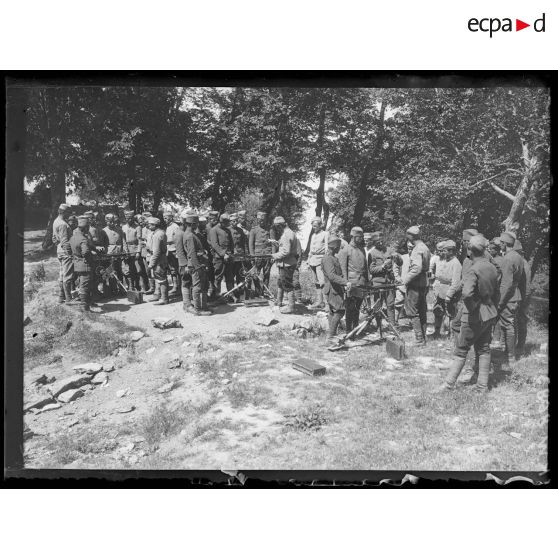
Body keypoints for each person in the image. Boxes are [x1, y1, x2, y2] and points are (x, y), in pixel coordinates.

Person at [438, 235, 499, 392]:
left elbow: (466, 294)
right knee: (484, 348)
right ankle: (482, 386)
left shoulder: (474, 269)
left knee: (461, 349)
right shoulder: (492, 267)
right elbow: (496, 293)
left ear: (470, 250)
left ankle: (448, 384)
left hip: (474, 315)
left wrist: (471, 309)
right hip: (489, 312)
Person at [496, 231, 524, 370]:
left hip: (508, 297)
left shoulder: (508, 259)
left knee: (508, 325)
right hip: (515, 295)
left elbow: (506, 284)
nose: (499, 245)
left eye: (501, 242)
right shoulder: (518, 257)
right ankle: (508, 354)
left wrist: (500, 303)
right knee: (509, 325)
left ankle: (510, 357)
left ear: (504, 244)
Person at [403, 225, 431, 346]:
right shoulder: (425, 247)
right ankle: (423, 337)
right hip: (423, 282)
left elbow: (416, 268)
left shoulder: (416, 249)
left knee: (412, 311)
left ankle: (419, 339)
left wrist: (405, 280)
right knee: (422, 309)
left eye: (407, 235)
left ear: (411, 236)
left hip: (415, 283)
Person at [337, 226, 368, 334]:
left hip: (361, 282)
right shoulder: (345, 249)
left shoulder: (362, 249)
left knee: (357, 307)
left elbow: (366, 267)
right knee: (350, 308)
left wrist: (367, 281)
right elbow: (342, 268)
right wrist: (345, 283)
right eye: (359, 237)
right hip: (351, 283)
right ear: (353, 237)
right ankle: (349, 330)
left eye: (362, 237)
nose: (361, 239)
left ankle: (356, 327)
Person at [321, 234, 350, 346]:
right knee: (340, 310)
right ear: (334, 246)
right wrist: (345, 282)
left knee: (334, 312)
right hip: (332, 289)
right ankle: (331, 336)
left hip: (336, 288)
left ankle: (332, 336)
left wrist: (343, 284)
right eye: (338, 246)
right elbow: (332, 276)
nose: (339, 248)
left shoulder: (333, 258)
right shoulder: (328, 259)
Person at [183, 212, 213, 316]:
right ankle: (197, 309)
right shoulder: (190, 236)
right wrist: (197, 267)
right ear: (192, 224)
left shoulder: (192, 234)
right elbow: (192, 253)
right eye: (196, 223)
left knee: (204, 286)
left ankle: (204, 306)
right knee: (197, 287)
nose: (198, 225)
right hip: (196, 265)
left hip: (200, 263)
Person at [432, 240, 462, 338]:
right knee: (437, 311)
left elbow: (455, 283)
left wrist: (449, 295)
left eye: (444, 250)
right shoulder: (438, 259)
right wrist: (431, 280)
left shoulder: (456, 263)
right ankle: (436, 332)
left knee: (450, 314)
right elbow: (429, 270)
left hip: (449, 293)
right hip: (439, 290)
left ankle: (451, 335)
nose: (442, 252)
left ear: (451, 251)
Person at [69, 215, 99, 312]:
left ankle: (86, 305)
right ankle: (84, 308)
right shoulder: (83, 239)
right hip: (85, 265)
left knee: (82, 284)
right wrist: (90, 255)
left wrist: (76, 256)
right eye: (87, 227)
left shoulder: (73, 237)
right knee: (85, 286)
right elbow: (85, 252)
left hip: (77, 265)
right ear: (85, 227)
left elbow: (68, 249)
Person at [368, 230, 397, 328]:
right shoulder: (371, 253)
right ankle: (379, 327)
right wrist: (383, 267)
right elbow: (371, 270)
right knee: (378, 306)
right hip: (378, 283)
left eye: (381, 241)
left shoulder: (389, 250)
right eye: (377, 242)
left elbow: (399, 262)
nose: (380, 243)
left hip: (389, 282)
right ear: (374, 243)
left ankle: (392, 326)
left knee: (390, 305)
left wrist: (397, 257)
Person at [270, 216, 299, 314]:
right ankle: (279, 301)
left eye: (277, 227)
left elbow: (285, 252)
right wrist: (277, 244)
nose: (277, 229)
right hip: (285, 263)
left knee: (287, 284)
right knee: (280, 282)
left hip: (287, 263)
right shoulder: (289, 233)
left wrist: (273, 255)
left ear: (280, 226)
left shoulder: (287, 234)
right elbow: (285, 247)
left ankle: (291, 307)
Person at [208, 213, 235, 300]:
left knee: (230, 277)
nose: (229, 224)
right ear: (222, 222)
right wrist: (223, 254)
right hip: (219, 258)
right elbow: (214, 244)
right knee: (218, 277)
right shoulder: (214, 230)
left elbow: (231, 243)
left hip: (229, 257)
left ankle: (231, 294)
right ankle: (217, 295)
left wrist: (231, 253)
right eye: (227, 223)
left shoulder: (227, 230)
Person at [52, 203, 74, 304]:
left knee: (62, 274)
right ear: (64, 212)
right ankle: (68, 298)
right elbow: (65, 241)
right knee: (67, 275)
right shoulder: (63, 224)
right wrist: (69, 253)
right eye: (68, 212)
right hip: (65, 252)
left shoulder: (56, 221)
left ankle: (61, 297)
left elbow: (55, 239)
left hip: (59, 250)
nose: (69, 215)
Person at [103, 213, 129, 296]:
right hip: (109, 253)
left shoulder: (119, 229)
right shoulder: (103, 231)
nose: (112, 224)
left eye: (114, 222)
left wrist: (125, 250)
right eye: (110, 222)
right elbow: (103, 243)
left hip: (119, 253)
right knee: (111, 272)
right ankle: (112, 290)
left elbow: (123, 241)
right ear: (106, 221)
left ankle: (121, 288)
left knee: (120, 271)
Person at [248, 211, 273, 294]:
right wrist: (252, 256)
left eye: (263, 220)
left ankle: (265, 292)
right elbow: (250, 244)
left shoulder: (270, 230)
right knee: (255, 274)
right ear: (257, 220)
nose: (261, 222)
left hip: (267, 255)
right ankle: (257, 291)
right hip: (257, 256)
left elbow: (273, 243)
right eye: (259, 220)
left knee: (267, 274)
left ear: (265, 220)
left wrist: (272, 255)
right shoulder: (253, 230)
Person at [146, 216, 169, 305]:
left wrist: (151, 264)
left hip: (159, 259)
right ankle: (158, 295)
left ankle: (164, 298)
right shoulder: (157, 233)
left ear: (155, 225)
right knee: (157, 278)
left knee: (161, 278)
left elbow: (157, 251)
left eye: (150, 224)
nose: (148, 226)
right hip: (159, 257)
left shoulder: (158, 235)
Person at [515, 240, 531, 359]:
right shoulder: (521, 262)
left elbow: (526, 286)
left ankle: (520, 347)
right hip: (521, 296)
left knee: (521, 320)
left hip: (523, 297)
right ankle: (517, 346)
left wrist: (522, 301)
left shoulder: (523, 263)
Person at [307, 217, 328, 309]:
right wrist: (308, 260)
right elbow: (311, 249)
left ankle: (327, 304)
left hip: (321, 260)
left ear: (320, 225)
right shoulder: (313, 235)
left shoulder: (325, 234)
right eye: (313, 226)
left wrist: (326, 260)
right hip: (312, 260)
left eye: (316, 226)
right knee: (315, 282)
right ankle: (319, 301)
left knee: (322, 282)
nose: (314, 228)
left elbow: (327, 248)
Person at [175, 210, 194, 312]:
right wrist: (185, 265)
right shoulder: (179, 233)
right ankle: (186, 304)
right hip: (185, 263)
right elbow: (180, 251)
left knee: (190, 282)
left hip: (190, 262)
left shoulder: (186, 232)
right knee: (186, 282)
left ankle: (190, 301)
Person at [229, 213, 249, 302]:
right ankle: (231, 295)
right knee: (230, 275)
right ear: (230, 222)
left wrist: (245, 254)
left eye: (236, 221)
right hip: (232, 256)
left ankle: (240, 294)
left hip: (240, 256)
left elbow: (244, 243)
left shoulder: (241, 231)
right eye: (233, 221)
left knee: (240, 275)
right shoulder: (228, 230)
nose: (235, 222)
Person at [392, 239, 412, 323]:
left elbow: (428, 270)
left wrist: (429, 279)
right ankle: (395, 321)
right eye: (409, 248)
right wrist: (397, 277)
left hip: (414, 286)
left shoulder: (419, 258)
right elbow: (395, 268)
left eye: (412, 248)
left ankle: (413, 323)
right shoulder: (403, 257)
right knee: (398, 302)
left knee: (413, 305)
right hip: (402, 285)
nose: (411, 250)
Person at [121, 210, 142, 291]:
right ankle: (130, 286)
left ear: (133, 218)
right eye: (127, 218)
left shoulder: (137, 227)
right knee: (128, 269)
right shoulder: (123, 227)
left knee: (137, 269)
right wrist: (125, 250)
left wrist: (138, 251)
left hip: (135, 249)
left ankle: (138, 286)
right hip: (127, 250)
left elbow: (139, 240)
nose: (128, 220)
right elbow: (123, 240)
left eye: (130, 218)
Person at [163, 210, 181, 298]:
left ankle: (180, 288)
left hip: (174, 249)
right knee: (172, 270)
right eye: (164, 218)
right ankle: (175, 286)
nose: (164, 219)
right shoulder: (168, 227)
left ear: (171, 218)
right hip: (169, 250)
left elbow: (177, 240)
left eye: (166, 218)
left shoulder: (175, 227)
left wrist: (177, 251)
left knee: (177, 269)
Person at [140, 211, 155, 295]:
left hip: (152, 252)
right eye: (144, 220)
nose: (145, 221)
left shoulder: (153, 229)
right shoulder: (143, 229)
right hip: (145, 252)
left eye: (146, 219)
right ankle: (151, 287)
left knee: (154, 271)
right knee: (147, 271)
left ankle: (156, 288)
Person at [205, 210, 220, 299]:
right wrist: (211, 244)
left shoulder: (219, 227)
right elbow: (204, 238)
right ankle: (211, 290)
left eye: (214, 219)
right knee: (210, 272)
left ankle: (217, 292)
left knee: (217, 272)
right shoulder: (207, 227)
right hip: (210, 253)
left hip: (218, 252)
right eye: (210, 219)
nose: (212, 221)